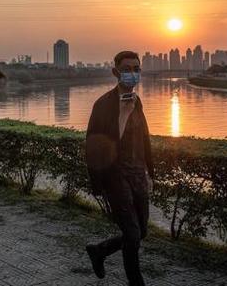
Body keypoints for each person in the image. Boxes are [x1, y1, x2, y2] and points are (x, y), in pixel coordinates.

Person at [84, 51, 154, 286]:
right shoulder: (103, 105)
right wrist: (98, 185)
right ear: (115, 72)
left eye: (136, 69)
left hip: (137, 175)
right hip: (116, 177)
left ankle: (100, 251)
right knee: (132, 235)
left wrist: (149, 172)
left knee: (140, 232)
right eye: (127, 69)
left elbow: (144, 139)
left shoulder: (138, 101)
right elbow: (94, 147)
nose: (132, 73)